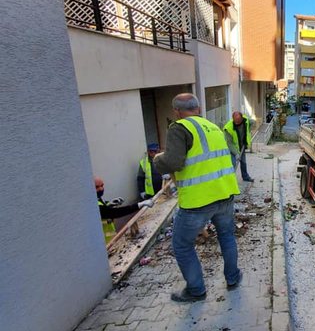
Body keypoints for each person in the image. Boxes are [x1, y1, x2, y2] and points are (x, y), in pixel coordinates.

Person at [154, 93, 242, 302]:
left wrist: (158, 160)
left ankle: (196, 290)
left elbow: (173, 162)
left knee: (182, 245)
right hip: (225, 193)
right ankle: (232, 278)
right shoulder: (213, 127)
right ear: (199, 108)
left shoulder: (179, 128)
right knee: (227, 236)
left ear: (176, 111)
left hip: (198, 201)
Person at [95, 176, 154, 243]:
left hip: (109, 240)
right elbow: (115, 213)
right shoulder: (94, 206)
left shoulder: (96, 199)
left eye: (102, 185)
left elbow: (104, 208)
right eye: (97, 187)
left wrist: (110, 204)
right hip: (103, 244)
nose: (101, 189)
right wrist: (139, 205)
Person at [223, 111, 254, 182]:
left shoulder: (245, 120)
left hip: (241, 146)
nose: (237, 123)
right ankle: (229, 180)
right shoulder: (228, 128)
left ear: (242, 118)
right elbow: (229, 143)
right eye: (235, 121)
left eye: (238, 121)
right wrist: (236, 153)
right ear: (233, 119)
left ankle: (245, 177)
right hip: (231, 148)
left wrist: (247, 131)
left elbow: (253, 122)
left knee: (243, 162)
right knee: (232, 164)